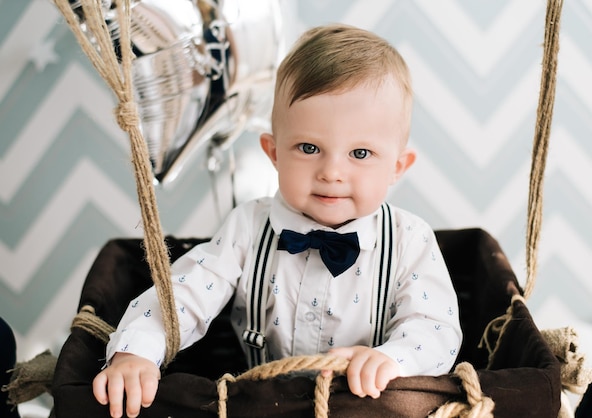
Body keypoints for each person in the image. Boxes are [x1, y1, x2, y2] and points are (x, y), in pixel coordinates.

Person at [93, 23, 462, 418]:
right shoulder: (249, 228)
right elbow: (185, 294)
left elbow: (435, 326)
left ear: (397, 166)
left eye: (360, 154)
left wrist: (395, 359)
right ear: (273, 152)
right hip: (260, 407)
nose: (332, 172)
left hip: (366, 408)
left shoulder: (410, 241)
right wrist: (138, 350)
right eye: (309, 147)